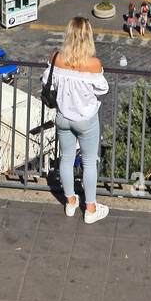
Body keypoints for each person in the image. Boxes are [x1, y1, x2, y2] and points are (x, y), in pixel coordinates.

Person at [47, 18, 110, 224]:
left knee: (65, 158)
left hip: (63, 117)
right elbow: (103, 88)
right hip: (85, 119)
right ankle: (90, 209)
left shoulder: (56, 58)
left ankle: (70, 202)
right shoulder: (93, 64)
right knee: (89, 162)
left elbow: (47, 80)